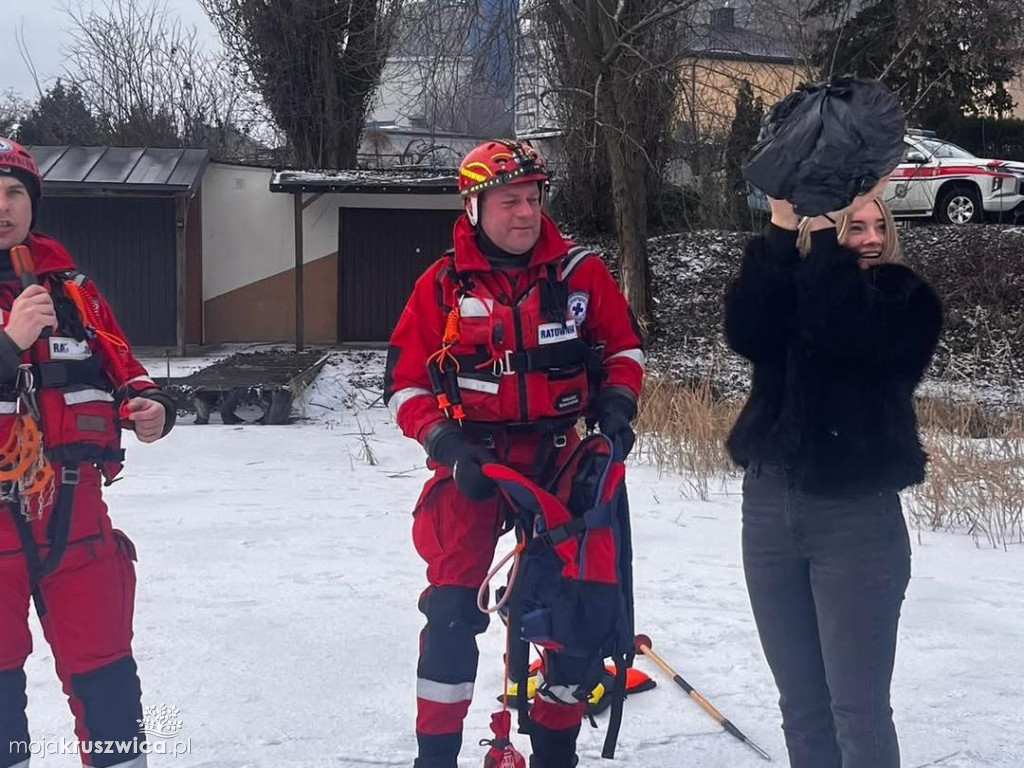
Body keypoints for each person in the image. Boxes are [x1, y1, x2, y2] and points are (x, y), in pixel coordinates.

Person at [384, 139, 644, 768]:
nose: (526, 212)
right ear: (473, 206)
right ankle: (435, 756)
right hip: (475, 464)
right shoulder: (441, 286)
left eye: (533, 198)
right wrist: (446, 447)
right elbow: (404, 385)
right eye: (509, 201)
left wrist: (616, 410)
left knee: (573, 614)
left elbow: (624, 353)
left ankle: (557, 752)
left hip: (562, 462)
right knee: (451, 610)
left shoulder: (581, 275)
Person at [723, 186, 943, 768]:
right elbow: (747, 331)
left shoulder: (907, 303)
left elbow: (841, 328)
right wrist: (778, 227)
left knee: (857, 709)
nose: (871, 239)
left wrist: (824, 242)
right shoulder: (796, 285)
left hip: (855, 518)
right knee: (802, 704)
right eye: (855, 228)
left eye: (877, 227)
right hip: (770, 507)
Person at [0, 138, 176, 768]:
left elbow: (125, 369)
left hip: (76, 517)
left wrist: (152, 408)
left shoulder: (72, 288)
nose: (3, 206)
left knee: (108, 683)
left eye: (15, 192)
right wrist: (9, 342)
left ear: (34, 202)